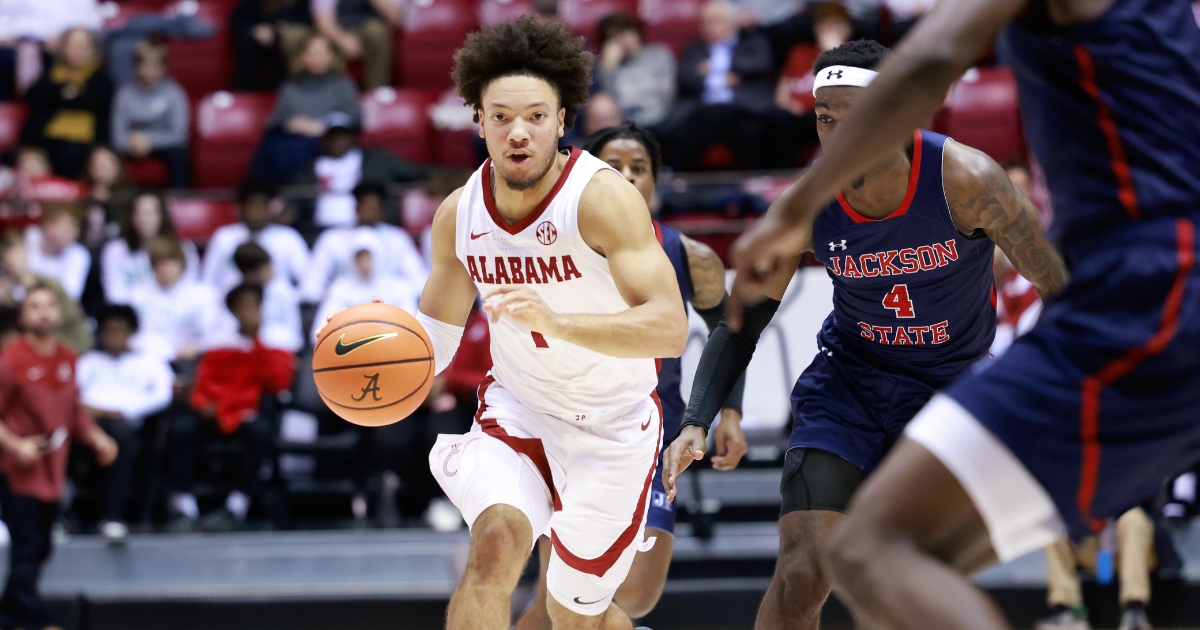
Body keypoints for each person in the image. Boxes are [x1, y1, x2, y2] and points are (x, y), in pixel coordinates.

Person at [716, 1, 1200, 630]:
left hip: (1145, 289)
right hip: (1146, 295)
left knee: (872, 550)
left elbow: (930, 59)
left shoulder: (963, 176)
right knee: (885, 558)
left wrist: (793, 207)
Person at [662, 39, 1069, 630]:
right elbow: (742, 322)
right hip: (848, 384)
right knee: (804, 571)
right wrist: (698, 417)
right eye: (827, 120)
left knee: (908, 576)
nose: (840, 138)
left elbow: (1062, 288)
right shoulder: (804, 205)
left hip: (947, 391)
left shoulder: (967, 179)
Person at [375, 17, 688, 630]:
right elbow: (432, 344)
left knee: (574, 616)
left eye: (536, 116)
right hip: (520, 410)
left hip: (612, 428)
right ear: (479, 120)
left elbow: (668, 328)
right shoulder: (458, 214)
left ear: (563, 120)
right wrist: (376, 364)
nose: (518, 132)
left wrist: (559, 321)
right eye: (501, 116)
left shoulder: (600, 198)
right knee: (494, 545)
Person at [516, 122, 748, 629]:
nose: (626, 176)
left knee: (637, 593)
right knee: (552, 601)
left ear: (655, 181)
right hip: (569, 427)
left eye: (639, 168)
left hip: (650, 429)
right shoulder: (553, 247)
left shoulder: (692, 256)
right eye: (613, 167)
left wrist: (728, 411)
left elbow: (731, 332)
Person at [0, 283, 117, 630]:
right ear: (23, 317)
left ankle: (9, 617)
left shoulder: (67, 357)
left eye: (49, 305)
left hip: (54, 467)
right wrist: (15, 446)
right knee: (28, 544)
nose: (44, 313)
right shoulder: (10, 361)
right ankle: (36, 619)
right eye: (35, 306)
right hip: (18, 468)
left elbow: (73, 410)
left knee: (41, 546)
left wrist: (96, 437)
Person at [169, 282, 294, 531]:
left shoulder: (275, 341)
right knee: (181, 429)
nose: (247, 312)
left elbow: (277, 383)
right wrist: (204, 404)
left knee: (260, 432)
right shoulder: (220, 343)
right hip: (213, 412)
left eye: (252, 306)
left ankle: (238, 502)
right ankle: (184, 503)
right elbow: (202, 382)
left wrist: (256, 341)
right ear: (233, 311)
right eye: (241, 307)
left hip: (245, 412)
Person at [75, 304, 174, 543]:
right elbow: (71, 394)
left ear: (132, 331)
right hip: (88, 424)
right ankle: (62, 512)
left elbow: (163, 395)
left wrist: (126, 410)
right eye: (109, 330)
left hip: (131, 426)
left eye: (120, 329)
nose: (115, 335)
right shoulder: (88, 362)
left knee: (122, 440)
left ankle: (113, 516)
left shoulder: (149, 362)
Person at [661, 0, 775, 171]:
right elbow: (685, 77)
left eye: (715, 21)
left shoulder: (751, 42)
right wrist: (726, 76)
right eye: (704, 22)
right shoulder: (694, 49)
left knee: (758, 133)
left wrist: (714, 69)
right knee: (679, 136)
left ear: (732, 22)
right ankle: (686, 191)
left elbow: (760, 64)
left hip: (741, 109)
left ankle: (756, 187)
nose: (709, 27)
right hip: (703, 110)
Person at [252, 33, 361, 185]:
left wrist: (324, 126)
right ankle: (266, 195)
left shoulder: (343, 85)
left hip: (329, 142)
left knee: (302, 149)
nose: (317, 58)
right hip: (293, 141)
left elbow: (355, 118)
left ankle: (296, 196)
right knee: (273, 147)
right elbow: (273, 122)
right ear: (302, 56)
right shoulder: (290, 87)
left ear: (332, 56)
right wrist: (290, 123)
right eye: (312, 53)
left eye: (322, 53)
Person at [289, 114, 425, 233]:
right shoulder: (310, 168)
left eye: (343, 135)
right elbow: (294, 200)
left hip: (366, 230)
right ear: (323, 139)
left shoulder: (376, 160)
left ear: (353, 137)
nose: (338, 140)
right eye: (333, 136)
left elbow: (416, 172)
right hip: (321, 234)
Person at [302, 180, 428, 302]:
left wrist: (396, 292)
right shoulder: (332, 238)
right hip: (347, 307)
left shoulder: (397, 238)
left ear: (382, 210)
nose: (369, 212)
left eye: (374, 207)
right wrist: (336, 295)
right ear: (356, 207)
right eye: (365, 206)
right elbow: (312, 286)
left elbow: (418, 280)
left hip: (388, 306)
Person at [19, 28, 113, 179]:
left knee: (70, 154)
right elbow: (32, 97)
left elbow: (94, 101)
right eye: (73, 46)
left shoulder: (100, 77)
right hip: (45, 140)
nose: (77, 51)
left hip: (83, 143)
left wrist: (60, 97)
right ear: (64, 48)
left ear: (93, 50)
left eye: (83, 46)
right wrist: (67, 92)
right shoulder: (52, 73)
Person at [202, 178, 311, 293]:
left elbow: (307, 282)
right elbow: (208, 282)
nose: (256, 212)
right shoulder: (224, 237)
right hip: (231, 303)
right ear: (240, 208)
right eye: (251, 205)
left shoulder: (288, 237)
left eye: (261, 205)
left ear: (270, 207)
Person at [310, 231, 423, 338]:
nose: (364, 264)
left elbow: (412, 327)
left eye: (368, 257)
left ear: (378, 257)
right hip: (353, 349)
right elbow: (320, 330)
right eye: (360, 258)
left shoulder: (400, 289)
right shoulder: (340, 289)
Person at [110, 41, 191, 188]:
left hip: (164, 145)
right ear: (135, 68)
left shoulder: (175, 92)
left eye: (154, 66)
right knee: (110, 154)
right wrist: (132, 143)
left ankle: (179, 198)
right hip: (131, 146)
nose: (149, 72)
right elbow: (117, 136)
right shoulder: (124, 94)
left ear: (163, 68)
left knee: (179, 155)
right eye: (144, 66)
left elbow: (179, 135)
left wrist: (148, 140)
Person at [129, 237, 220, 363]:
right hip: (145, 357)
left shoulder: (202, 294)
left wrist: (197, 346)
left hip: (184, 359)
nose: (163, 269)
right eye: (158, 263)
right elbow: (131, 333)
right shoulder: (138, 294)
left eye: (169, 263)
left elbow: (212, 334)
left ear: (181, 264)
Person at [101, 191, 201, 306]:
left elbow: (188, 289)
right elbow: (115, 295)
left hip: (174, 314)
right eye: (139, 213)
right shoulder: (115, 250)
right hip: (131, 316)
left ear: (162, 216)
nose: (144, 219)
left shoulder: (184, 248)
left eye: (150, 213)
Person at [0, 230, 92, 354]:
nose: (11, 260)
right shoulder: (5, 296)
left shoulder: (50, 285)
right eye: (5, 256)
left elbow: (74, 321)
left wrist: (72, 353)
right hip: (21, 360)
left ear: (25, 251)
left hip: (59, 352)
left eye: (15, 252)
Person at [213, 242, 303, 353]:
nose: (271, 271)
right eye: (265, 269)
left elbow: (295, 337)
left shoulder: (283, 292)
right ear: (248, 273)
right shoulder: (230, 293)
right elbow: (223, 332)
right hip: (239, 351)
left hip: (276, 351)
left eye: (270, 266)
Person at [593, 13, 676, 128]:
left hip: (661, 122)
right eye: (613, 38)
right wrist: (608, 68)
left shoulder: (659, 54)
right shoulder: (608, 67)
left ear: (636, 32)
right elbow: (610, 106)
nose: (621, 41)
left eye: (624, 33)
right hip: (626, 126)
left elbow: (667, 96)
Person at [304, 0, 403, 90]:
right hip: (339, 31)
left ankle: (377, 93)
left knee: (378, 33)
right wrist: (342, 40)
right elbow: (323, 21)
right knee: (327, 46)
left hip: (369, 30)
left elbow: (397, 17)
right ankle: (338, 96)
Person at [231, 0, 313, 90]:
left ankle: (288, 91)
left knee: (289, 43)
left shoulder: (300, 3)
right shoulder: (253, 3)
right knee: (247, 47)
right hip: (256, 41)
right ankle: (246, 94)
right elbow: (237, 21)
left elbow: (309, 21)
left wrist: (289, 27)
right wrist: (254, 30)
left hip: (285, 40)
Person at [25, 202, 91, 301]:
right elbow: (16, 292)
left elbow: (70, 296)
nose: (75, 233)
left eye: (76, 227)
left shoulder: (79, 254)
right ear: (48, 225)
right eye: (68, 227)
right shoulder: (28, 241)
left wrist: (28, 279)